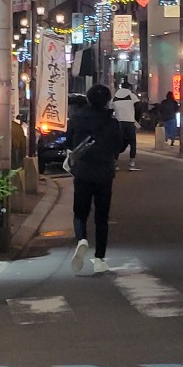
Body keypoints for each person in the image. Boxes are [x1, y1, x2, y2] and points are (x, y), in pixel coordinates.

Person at [66, 83, 122, 275]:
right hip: (104, 173)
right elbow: (120, 146)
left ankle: (81, 239)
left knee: (80, 212)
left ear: (88, 99)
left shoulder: (77, 118)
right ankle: (99, 259)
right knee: (101, 218)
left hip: (83, 171)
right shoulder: (112, 122)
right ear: (107, 100)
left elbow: (69, 141)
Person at [112, 76, 141, 170]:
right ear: (129, 88)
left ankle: (115, 163)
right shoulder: (132, 96)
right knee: (133, 143)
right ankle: (132, 163)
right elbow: (139, 107)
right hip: (129, 122)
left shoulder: (115, 97)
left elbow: (109, 109)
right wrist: (136, 119)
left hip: (119, 123)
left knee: (116, 142)